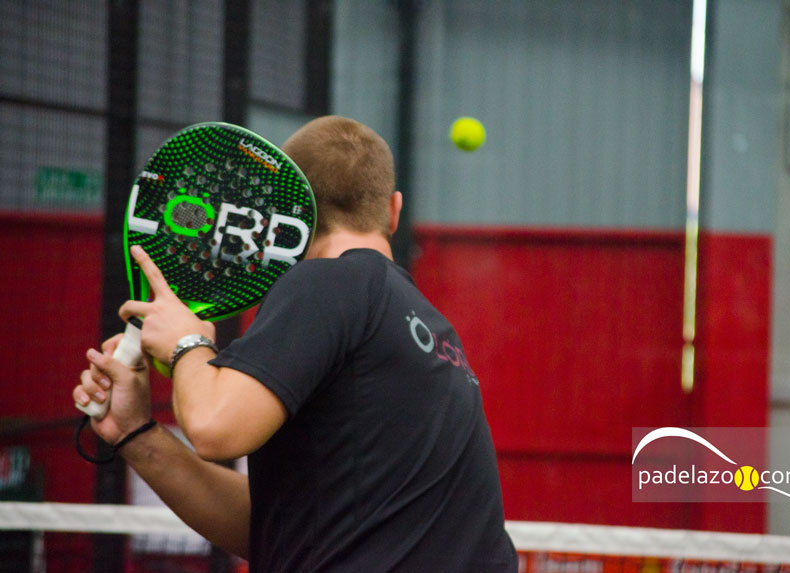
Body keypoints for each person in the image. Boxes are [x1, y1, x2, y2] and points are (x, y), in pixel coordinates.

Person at [74, 116, 518, 572]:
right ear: (393, 210)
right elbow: (274, 527)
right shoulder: (430, 328)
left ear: (289, 210)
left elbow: (212, 425)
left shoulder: (332, 280)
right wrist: (135, 434)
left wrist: (187, 342)